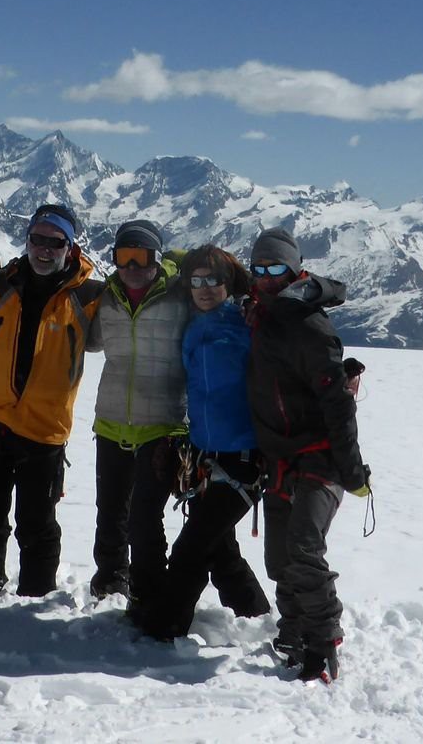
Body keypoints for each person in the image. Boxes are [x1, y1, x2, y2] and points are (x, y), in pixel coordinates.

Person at [245, 227, 371, 683]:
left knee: (302, 547)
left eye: (275, 268)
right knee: (279, 559)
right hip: (278, 456)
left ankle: (322, 641)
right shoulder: (258, 313)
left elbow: (338, 403)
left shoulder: (308, 325)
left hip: (318, 456)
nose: (266, 277)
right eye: (257, 269)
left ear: (295, 269)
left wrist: (351, 469)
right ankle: (294, 629)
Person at [0, 203, 102, 597]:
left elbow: (139, 311)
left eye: (54, 242)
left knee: (37, 524)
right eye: (36, 239)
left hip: (45, 431)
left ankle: (34, 598)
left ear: (70, 248)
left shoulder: (91, 297)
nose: (43, 249)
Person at [140, 245, 272, 641]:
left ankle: (164, 628)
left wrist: (339, 371)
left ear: (228, 282)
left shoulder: (248, 323)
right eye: (196, 280)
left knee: (192, 548)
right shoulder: (193, 326)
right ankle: (256, 618)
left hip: (244, 459)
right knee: (218, 548)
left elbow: (289, 356)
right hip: (203, 454)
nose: (204, 288)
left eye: (213, 279)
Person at [84, 220, 190, 625]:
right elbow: (91, 341)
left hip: (162, 427)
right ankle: (110, 581)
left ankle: (147, 592)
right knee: (110, 512)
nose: (131, 266)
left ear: (156, 258)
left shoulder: (180, 296)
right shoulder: (107, 298)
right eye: (123, 256)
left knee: (146, 520)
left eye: (141, 256)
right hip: (111, 421)